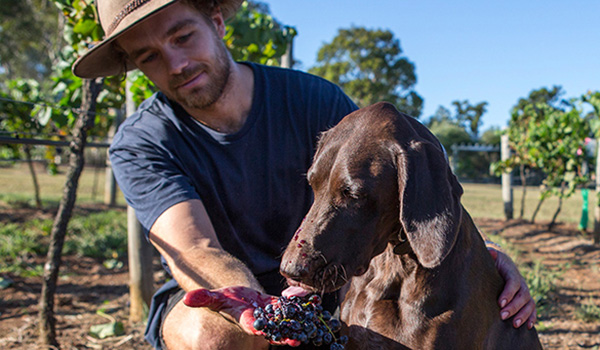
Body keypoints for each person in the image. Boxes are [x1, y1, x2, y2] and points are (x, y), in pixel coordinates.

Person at [72, 0, 537, 349]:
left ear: (215, 22)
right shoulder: (142, 142)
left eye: (182, 37)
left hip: (325, 282)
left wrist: (482, 255)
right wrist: (261, 307)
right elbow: (195, 249)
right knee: (210, 336)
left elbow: (393, 179)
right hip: (225, 293)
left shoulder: (314, 101)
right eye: (149, 56)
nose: (175, 64)